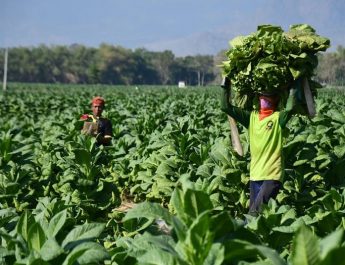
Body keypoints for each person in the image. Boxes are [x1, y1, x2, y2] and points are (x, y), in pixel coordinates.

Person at [221, 77, 298, 216]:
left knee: (254, 214)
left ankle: (239, 235)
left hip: (272, 175)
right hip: (255, 174)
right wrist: (225, 86)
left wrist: (294, 84)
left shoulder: (278, 118)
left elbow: (290, 107)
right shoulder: (251, 118)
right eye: (262, 96)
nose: (264, 100)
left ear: (275, 100)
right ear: (258, 98)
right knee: (256, 215)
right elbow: (225, 107)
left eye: (269, 97)